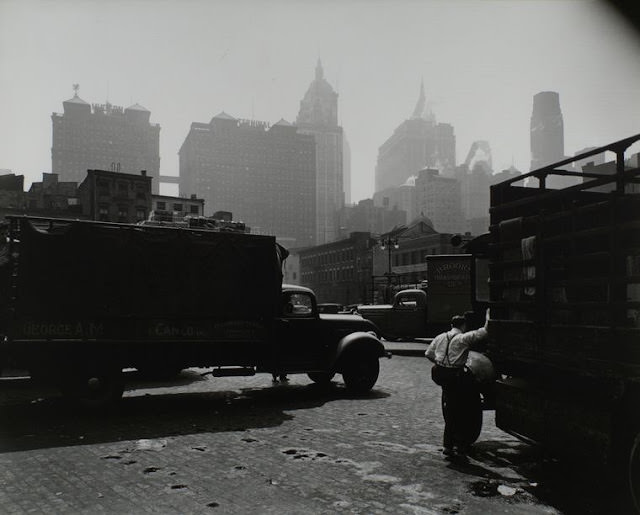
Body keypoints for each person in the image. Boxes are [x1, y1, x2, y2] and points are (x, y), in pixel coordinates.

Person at [426, 311, 488, 459]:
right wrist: (487, 316)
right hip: (455, 377)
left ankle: (448, 446)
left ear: (451, 325)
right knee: (460, 411)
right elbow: (484, 332)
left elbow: (428, 353)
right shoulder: (463, 338)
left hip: (440, 374)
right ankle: (458, 446)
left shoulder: (440, 337)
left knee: (450, 409)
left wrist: (440, 362)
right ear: (463, 325)